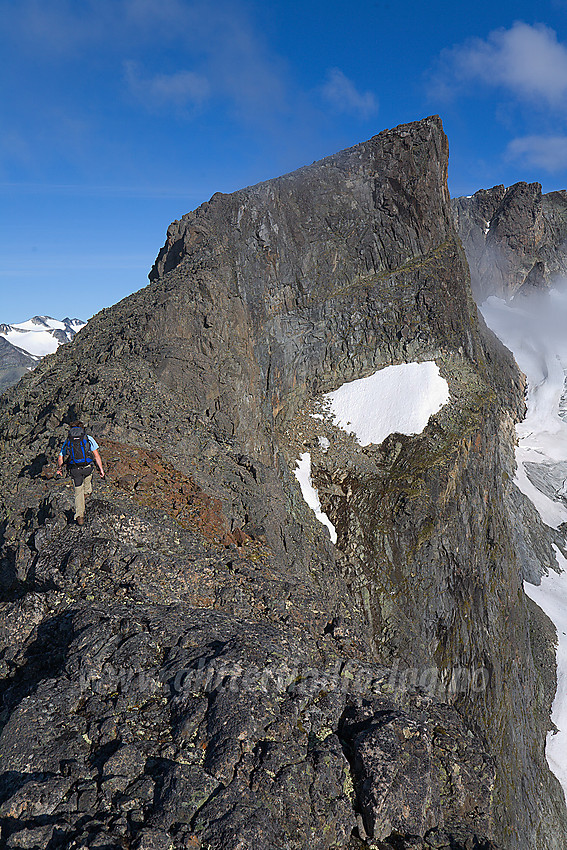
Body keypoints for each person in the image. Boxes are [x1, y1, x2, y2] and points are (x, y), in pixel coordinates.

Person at [56, 421, 105, 525]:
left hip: (75, 470)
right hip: (87, 468)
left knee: (78, 492)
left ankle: (79, 516)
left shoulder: (68, 440)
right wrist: (101, 469)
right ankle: (87, 493)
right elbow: (96, 455)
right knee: (88, 480)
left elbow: (61, 457)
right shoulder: (87, 438)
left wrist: (59, 469)